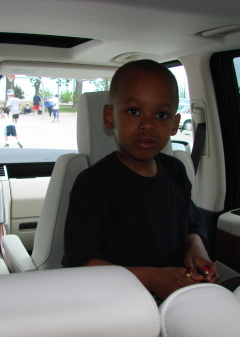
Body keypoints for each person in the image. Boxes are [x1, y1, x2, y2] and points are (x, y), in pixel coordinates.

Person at [61, 59, 219, 303]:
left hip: (176, 300)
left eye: (161, 114)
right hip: (117, 304)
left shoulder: (176, 171)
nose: (148, 124)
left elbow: (192, 227)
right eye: (134, 111)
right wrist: (153, 278)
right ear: (109, 117)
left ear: (175, 124)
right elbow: (80, 262)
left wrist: (196, 250)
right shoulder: (93, 184)